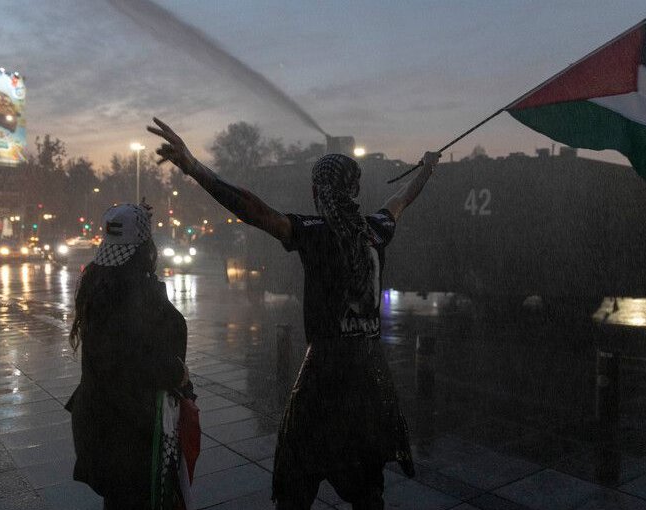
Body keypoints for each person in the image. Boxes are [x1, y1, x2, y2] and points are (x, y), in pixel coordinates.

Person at [148, 117, 439, 510]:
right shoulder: (376, 229)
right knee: (367, 486)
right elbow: (402, 199)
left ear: (320, 190)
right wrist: (427, 169)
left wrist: (195, 167)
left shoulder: (315, 232)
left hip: (323, 380)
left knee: (296, 480)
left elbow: (252, 209)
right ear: (354, 190)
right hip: (371, 378)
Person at [66, 202, 193, 510]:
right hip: (131, 431)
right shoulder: (131, 290)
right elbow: (139, 358)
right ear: (144, 248)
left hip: (104, 424)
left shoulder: (99, 282)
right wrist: (178, 373)